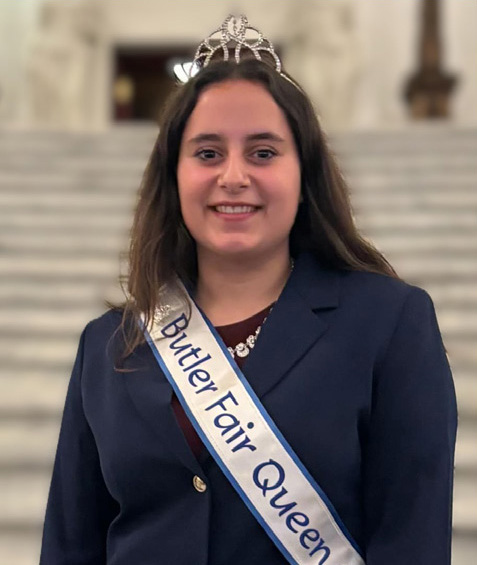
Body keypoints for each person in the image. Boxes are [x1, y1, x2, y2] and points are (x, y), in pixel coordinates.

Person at [40, 15, 457, 565]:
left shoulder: (389, 323)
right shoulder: (109, 345)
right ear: (174, 177)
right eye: (207, 153)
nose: (233, 176)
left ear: (304, 177)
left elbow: (413, 540)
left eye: (263, 152)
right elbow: (69, 545)